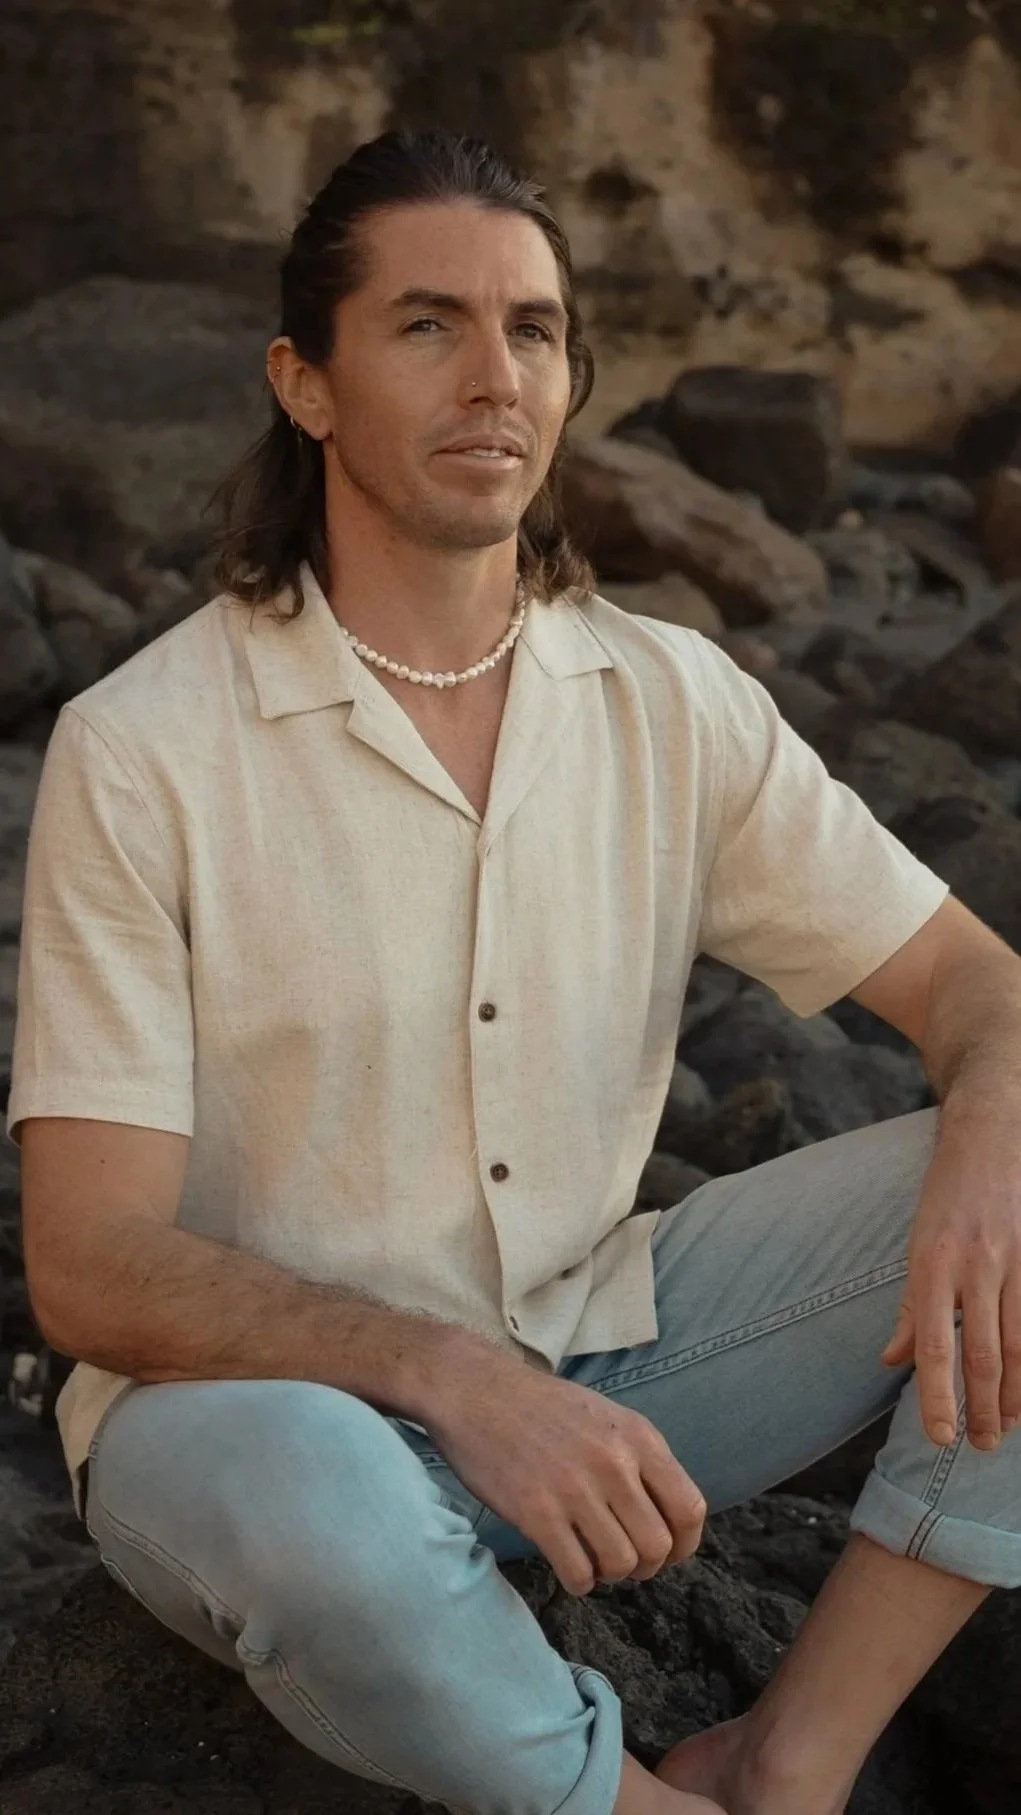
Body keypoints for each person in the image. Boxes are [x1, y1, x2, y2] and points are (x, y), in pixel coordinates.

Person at [6, 128, 1021, 1815]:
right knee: (312, 1499)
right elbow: (89, 1264)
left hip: (611, 1361)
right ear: (305, 384)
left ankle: (791, 1757)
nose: (495, 378)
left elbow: (979, 988)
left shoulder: (668, 700)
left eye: (533, 330)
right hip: (257, 1423)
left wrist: (987, 1153)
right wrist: (449, 1377)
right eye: (427, 326)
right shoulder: (145, 749)